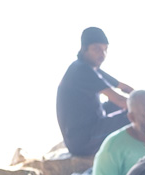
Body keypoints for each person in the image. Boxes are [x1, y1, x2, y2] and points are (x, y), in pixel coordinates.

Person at [56, 27, 135, 157]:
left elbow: (124, 88)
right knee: (136, 115)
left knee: (133, 107)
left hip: (87, 131)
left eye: (105, 50)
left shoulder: (90, 68)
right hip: (83, 141)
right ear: (84, 48)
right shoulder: (81, 70)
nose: (102, 54)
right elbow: (121, 100)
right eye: (97, 49)